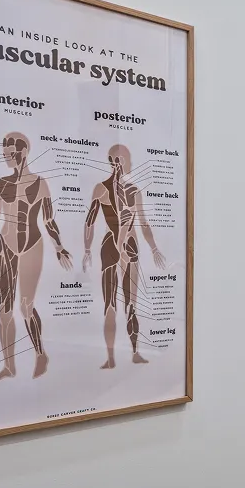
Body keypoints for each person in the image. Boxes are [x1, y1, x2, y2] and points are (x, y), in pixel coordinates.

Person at [0, 132, 72, 383]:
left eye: (10, 154)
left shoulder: (41, 183)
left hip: (32, 245)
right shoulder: (0, 183)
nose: (6, 158)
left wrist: (59, 247)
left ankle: (40, 354)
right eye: (4, 154)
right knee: (4, 310)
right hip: (5, 245)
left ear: (23, 152)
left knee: (26, 306)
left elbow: (48, 220)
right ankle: (8, 367)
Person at [83, 144, 166, 368]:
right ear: (117, 161)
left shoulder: (127, 190)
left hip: (125, 246)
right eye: (125, 159)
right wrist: (87, 249)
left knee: (126, 304)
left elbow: (142, 222)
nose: (129, 163)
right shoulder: (104, 189)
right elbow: (90, 221)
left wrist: (154, 248)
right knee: (113, 304)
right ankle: (117, 356)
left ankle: (128, 353)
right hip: (116, 245)